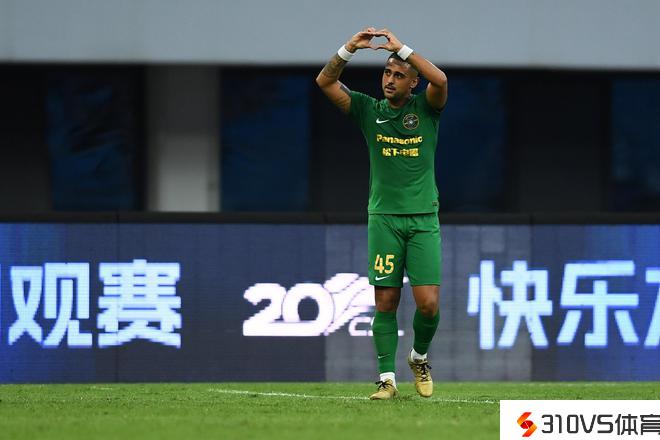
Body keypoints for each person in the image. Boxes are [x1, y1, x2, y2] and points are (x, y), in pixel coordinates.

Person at [316, 28, 448, 400]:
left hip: (423, 219)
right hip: (384, 219)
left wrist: (401, 48)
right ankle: (386, 380)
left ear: (413, 83)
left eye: (399, 75)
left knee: (428, 304)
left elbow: (440, 80)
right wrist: (349, 49)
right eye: (387, 73)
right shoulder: (368, 110)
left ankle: (419, 357)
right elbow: (325, 82)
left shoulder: (427, 109)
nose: (390, 80)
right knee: (385, 302)